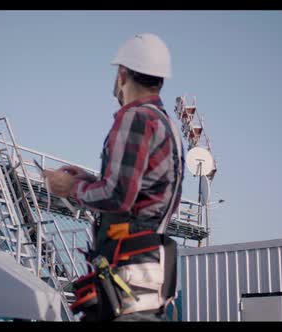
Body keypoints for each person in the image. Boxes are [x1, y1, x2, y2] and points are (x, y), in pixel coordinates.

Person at [43, 33, 185, 322]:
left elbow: (119, 196)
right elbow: (141, 192)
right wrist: (92, 179)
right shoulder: (166, 123)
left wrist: (72, 187)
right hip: (146, 272)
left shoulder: (134, 118)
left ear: (122, 73)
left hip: (126, 269)